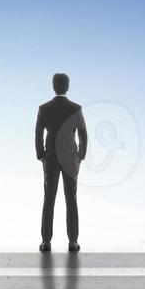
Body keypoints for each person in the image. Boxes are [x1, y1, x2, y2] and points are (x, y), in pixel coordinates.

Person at [34, 73, 88, 252]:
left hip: (50, 159)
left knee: (49, 198)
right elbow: (83, 134)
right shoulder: (75, 108)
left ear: (53, 85)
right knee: (71, 199)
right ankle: (73, 242)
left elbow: (38, 133)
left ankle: (46, 242)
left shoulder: (44, 108)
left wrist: (40, 154)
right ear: (68, 86)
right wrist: (80, 156)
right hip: (70, 159)